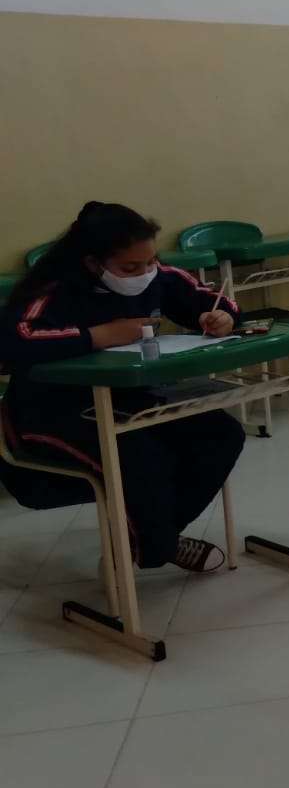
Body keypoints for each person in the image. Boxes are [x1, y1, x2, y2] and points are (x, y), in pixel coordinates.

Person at [0, 202, 244, 573]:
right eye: (130, 268)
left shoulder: (156, 276)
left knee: (221, 433)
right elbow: (14, 341)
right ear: (92, 263)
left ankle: (152, 540)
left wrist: (222, 316)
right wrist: (98, 336)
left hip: (128, 401)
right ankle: (157, 545)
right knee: (139, 454)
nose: (144, 273)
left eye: (151, 261)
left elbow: (215, 301)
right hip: (50, 414)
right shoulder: (55, 288)